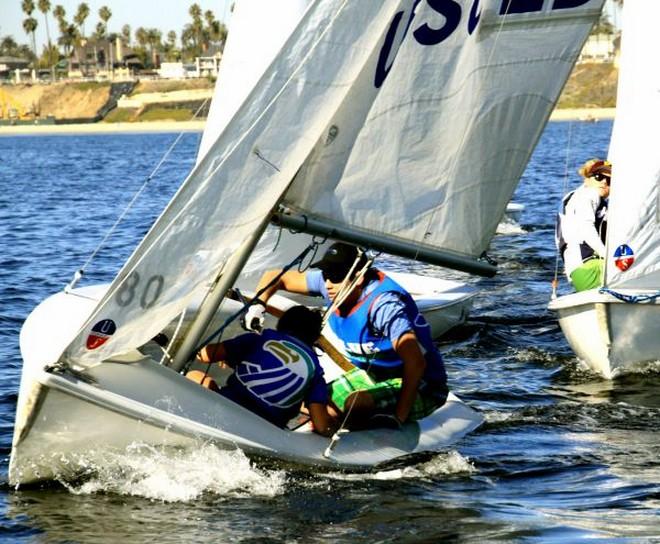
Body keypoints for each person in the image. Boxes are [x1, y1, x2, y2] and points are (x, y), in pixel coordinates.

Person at [245, 242, 449, 429]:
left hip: (421, 385)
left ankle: (357, 432)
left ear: (358, 277)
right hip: (372, 377)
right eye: (325, 275)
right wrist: (258, 304)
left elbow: (416, 363)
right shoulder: (333, 284)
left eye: (335, 276)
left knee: (356, 403)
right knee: (309, 399)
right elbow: (276, 277)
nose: (327, 284)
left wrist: (399, 418)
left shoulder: (384, 306)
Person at [187, 305, 337, 436]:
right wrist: (334, 430)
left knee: (195, 376)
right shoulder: (316, 371)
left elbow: (206, 355)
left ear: (282, 323)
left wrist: (228, 355)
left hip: (226, 410)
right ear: (314, 337)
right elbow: (322, 426)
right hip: (265, 431)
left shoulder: (259, 339)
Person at [557, 159, 610, 292]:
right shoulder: (589, 194)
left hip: (578, 273)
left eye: (610, 181)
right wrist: (607, 256)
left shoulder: (573, 196)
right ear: (587, 179)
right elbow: (586, 228)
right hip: (591, 268)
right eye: (599, 177)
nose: (604, 182)